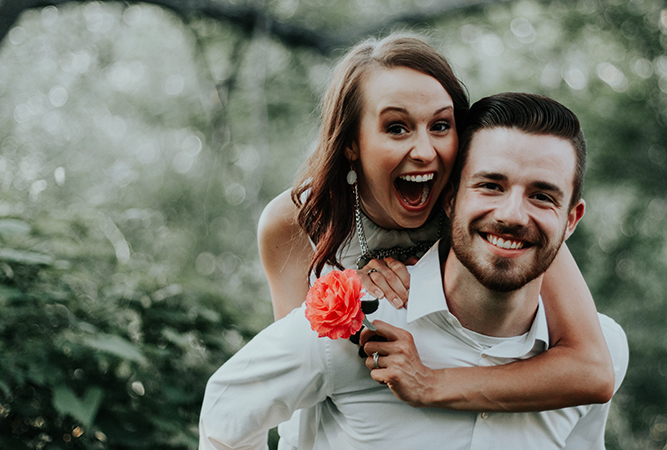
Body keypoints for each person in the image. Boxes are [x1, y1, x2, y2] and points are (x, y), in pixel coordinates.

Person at [200, 92, 628, 449]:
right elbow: (226, 416)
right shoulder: (354, 328)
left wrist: (432, 384)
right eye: (490, 185)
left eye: (542, 196)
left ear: (572, 219)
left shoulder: (601, 347)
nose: (512, 214)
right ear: (448, 198)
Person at [257, 35, 614, 423]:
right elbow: (296, 381)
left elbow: (591, 369)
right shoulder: (292, 222)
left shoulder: (491, 213)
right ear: (351, 143)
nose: (425, 151)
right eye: (397, 128)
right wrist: (353, 295)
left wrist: (431, 384)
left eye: (441, 125)